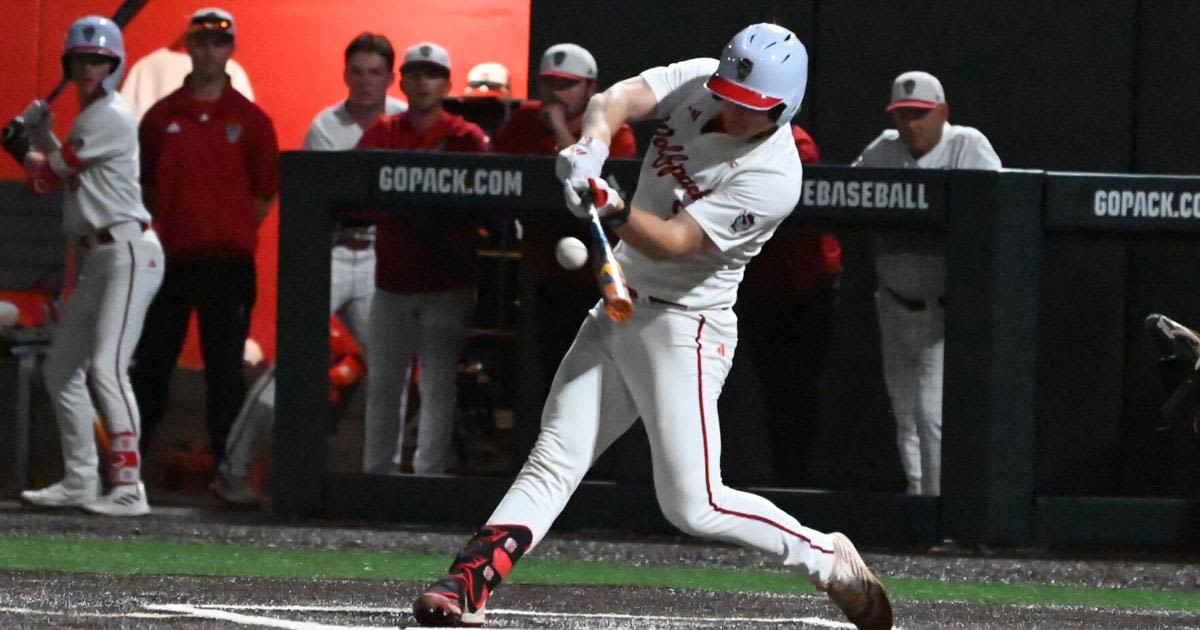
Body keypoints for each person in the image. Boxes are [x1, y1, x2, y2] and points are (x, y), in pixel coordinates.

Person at [411, 23, 892, 630]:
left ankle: (825, 557)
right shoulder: (707, 82)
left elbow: (674, 242)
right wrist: (592, 144)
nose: (731, 109)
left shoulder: (775, 177)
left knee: (695, 504)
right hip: (621, 306)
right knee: (556, 452)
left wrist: (609, 205)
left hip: (686, 328)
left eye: (750, 106)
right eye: (728, 94)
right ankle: (468, 582)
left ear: (783, 107)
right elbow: (619, 99)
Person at [210, 32, 404, 503]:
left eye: (374, 72)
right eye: (356, 71)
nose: (364, 81)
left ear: (390, 77)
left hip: (380, 255)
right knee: (292, 362)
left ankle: (385, 478)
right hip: (333, 252)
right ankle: (231, 471)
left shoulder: (402, 120)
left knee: (391, 368)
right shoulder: (326, 125)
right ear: (345, 74)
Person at [2, 16, 164, 516]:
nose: (89, 66)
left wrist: (18, 145)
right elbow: (74, 179)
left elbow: (46, 181)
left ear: (114, 65)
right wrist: (45, 139)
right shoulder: (90, 120)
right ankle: (80, 479)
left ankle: (129, 487)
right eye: (80, 58)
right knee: (62, 367)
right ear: (68, 64)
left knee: (108, 367)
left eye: (98, 59)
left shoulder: (109, 115)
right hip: (99, 256)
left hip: (129, 252)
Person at [130, 7, 279, 473]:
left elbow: (264, 193)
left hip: (229, 265)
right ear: (188, 46)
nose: (210, 50)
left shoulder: (252, 121)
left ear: (231, 49)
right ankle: (126, 468)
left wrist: (227, 229)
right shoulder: (159, 117)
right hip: (169, 262)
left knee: (225, 374)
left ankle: (227, 472)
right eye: (201, 41)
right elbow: (147, 187)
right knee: (152, 366)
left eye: (219, 42)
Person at [853, 71, 1001, 496]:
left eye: (919, 114)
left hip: (943, 310)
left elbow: (999, 211)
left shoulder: (966, 145)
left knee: (930, 414)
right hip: (894, 304)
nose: (910, 124)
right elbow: (843, 195)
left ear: (942, 112)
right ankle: (919, 504)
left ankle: (939, 512)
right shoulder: (883, 149)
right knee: (905, 415)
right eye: (902, 114)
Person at [492, 43, 638, 449]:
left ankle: (595, 467)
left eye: (568, 85)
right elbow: (492, 170)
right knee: (547, 372)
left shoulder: (613, 128)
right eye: (550, 83)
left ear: (591, 87)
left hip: (601, 277)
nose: (557, 93)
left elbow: (592, 183)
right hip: (543, 269)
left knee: (596, 377)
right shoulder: (523, 121)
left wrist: (558, 129)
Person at [357, 42, 489, 474]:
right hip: (392, 281)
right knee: (384, 386)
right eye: (415, 73)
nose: (423, 82)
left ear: (447, 83)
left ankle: (428, 477)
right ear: (403, 80)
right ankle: (378, 476)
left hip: (446, 283)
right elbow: (353, 191)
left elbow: (482, 210)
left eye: (432, 74)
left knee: (437, 386)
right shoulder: (383, 132)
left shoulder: (465, 137)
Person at [719, 125, 842, 487]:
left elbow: (770, 203)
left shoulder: (797, 142)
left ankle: (797, 485)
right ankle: (782, 483)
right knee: (770, 390)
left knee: (799, 390)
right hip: (761, 286)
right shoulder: (726, 137)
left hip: (806, 286)